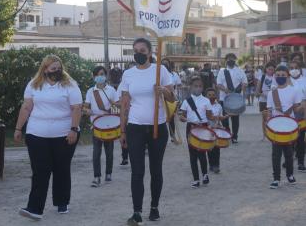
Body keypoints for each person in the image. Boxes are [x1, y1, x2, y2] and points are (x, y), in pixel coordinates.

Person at [14, 55, 82, 220]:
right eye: (53, 68)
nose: (57, 71)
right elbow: (26, 107)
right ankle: (35, 209)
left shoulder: (70, 85)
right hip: (37, 134)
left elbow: (76, 108)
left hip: (64, 134)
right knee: (40, 171)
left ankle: (62, 202)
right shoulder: (33, 85)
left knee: (61, 168)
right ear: (44, 69)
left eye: (59, 68)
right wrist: (18, 128)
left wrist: (73, 129)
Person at [119, 38, 174, 225]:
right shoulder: (128, 74)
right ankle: (137, 211)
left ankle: (154, 208)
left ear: (150, 53)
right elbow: (124, 104)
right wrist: (122, 131)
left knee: (155, 169)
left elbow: (172, 97)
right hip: (135, 127)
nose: (138, 54)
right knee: (137, 171)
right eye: (135, 50)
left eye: (142, 50)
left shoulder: (160, 70)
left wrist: (162, 91)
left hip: (157, 127)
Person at [267, 65, 302, 189]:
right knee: (276, 154)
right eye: (278, 75)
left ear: (287, 76)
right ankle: (276, 178)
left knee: (289, 153)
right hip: (276, 126)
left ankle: (290, 175)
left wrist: (302, 106)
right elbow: (270, 111)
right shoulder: (272, 93)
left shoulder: (294, 91)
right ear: (275, 76)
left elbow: (297, 108)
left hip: (289, 125)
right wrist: (267, 123)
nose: (280, 77)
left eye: (283, 75)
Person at [83, 66, 118, 187]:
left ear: (106, 76)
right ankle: (96, 176)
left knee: (109, 151)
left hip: (110, 124)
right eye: (97, 75)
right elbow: (86, 106)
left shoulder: (111, 90)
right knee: (96, 152)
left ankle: (108, 173)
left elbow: (118, 104)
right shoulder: (90, 91)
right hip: (96, 124)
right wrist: (87, 110)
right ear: (94, 77)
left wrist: (115, 104)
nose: (100, 77)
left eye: (102, 74)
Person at [180, 77, 213, 188]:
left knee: (202, 152)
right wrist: (183, 118)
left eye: (200, 86)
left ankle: (205, 175)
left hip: (203, 127)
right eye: (196, 86)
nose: (198, 88)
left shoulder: (206, 101)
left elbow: (209, 116)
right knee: (192, 155)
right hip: (191, 127)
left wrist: (219, 117)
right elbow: (182, 116)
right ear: (191, 87)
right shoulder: (186, 101)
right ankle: (195, 179)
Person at [216, 53, 248, 143]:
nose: (231, 60)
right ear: (226, 60)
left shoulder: (240, 71)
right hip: (224, 98)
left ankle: (234, 137)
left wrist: (241, 89)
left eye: (233, 59)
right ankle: (228, 133)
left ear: (235, 60)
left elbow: (245, 82)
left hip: (236, 99)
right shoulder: (222, 71)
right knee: (225, 119)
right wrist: (225, 90)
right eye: (229, 59)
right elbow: (218, 84)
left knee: (235, 119)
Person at [205, 87, 229, 174]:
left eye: (213, 95)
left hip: (217, 128)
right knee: (209, 147)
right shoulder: (204, 105)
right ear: (206, 96)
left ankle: (216, 165)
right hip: (207, 128)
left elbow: (220, 117)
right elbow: (206, 117)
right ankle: (211, 165)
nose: (212, 96)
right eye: (209, 95)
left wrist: (226, 117)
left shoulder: (218, 106)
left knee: (217, 147)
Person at [289, 61, 306, 171]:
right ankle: (288, 160)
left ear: (300, 69)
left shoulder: (305, 80)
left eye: (296, 67)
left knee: (301, 140)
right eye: (291, 68)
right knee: (289, 139)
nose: (294, 70)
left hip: (302, 111)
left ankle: (300, 162)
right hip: (289, 112)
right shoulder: (286, 80)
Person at [255, 62, 276, 140]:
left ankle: (273, 133)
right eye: (269, 69)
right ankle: (264, 135)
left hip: (273, 101)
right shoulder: (262, 77)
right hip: (263, 101)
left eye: (272, 69)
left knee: (273, 117)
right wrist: (262, 94)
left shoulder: (276, 77)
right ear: (266, 69)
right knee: (264, 119)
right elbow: (257, 91)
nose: (270, 71)